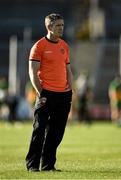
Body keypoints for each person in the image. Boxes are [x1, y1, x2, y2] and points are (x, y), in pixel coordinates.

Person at [25, 13, 73, 172]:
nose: (61, 28)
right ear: (49, 27)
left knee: (56, 133)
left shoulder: (64, 46)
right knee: (39, 130)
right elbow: (33, 72)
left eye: (62, 25)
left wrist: (70, 89)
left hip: (63, 95)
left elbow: (68, 70)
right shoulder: (39, 46)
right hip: (46, 94)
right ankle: (32, 165)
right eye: (58, 25)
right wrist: (41, 92)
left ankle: (48, 165)